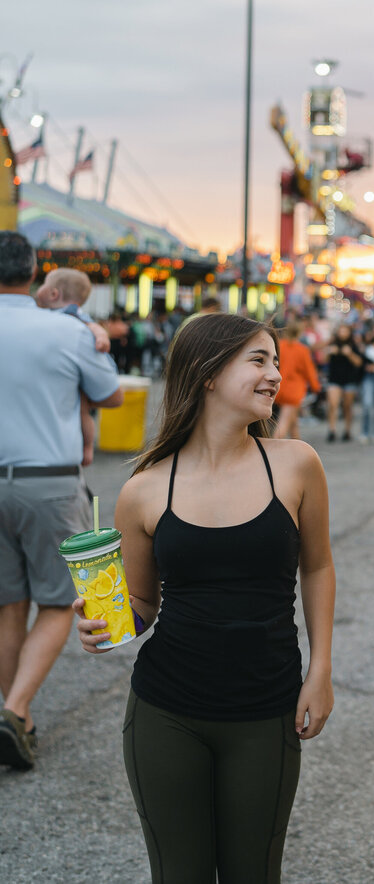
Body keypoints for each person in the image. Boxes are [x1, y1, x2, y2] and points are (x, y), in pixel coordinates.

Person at [72, 313, 335, 883]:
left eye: (276, 360)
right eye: (259, 360)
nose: (275, 374)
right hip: (166, 711)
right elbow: (141, 606)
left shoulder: (295, 464)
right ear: (208, 373)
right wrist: (104, 622)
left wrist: (321, 670)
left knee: (254, 875)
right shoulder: (143, 489)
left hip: (267, 709)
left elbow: (317, 567)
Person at [0, 232, 124, 771]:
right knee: (56, 601)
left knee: (8, 604)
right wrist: (93, 336)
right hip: (48, 480)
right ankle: (15, 708)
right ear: (34, 274)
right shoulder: (65, 331)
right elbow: (111, 395)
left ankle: (12, 718)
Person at [34, 267, 111, 466]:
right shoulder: (47, 313)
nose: (38, 288)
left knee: (83, 412)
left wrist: (102, 338)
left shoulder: (71, 313)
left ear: (53, 293)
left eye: (44, 283)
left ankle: (87, 448)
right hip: (67, 371)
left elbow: (92, 326)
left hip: (75, 375)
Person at [274, 321, 321, 440]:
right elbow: (309, 371)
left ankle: (297, 448)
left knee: (293, 422)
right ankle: (272, 450)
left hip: (280, 386)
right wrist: (316, 387)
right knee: (284, 422)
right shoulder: (302, 350)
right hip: (294, 390)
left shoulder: (280, 346)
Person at [323, 324, 363, 442]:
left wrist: (350, 354)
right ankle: (332, 430)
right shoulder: (332, 343)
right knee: (333, 404)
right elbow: (323, 359)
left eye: (345, 331)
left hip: (349, 380)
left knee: (347, 406)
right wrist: (329, 352)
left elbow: (359, 363)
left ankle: (347, 430)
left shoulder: (353, 345)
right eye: (341, 331)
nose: (343, 333)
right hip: (334, 379)